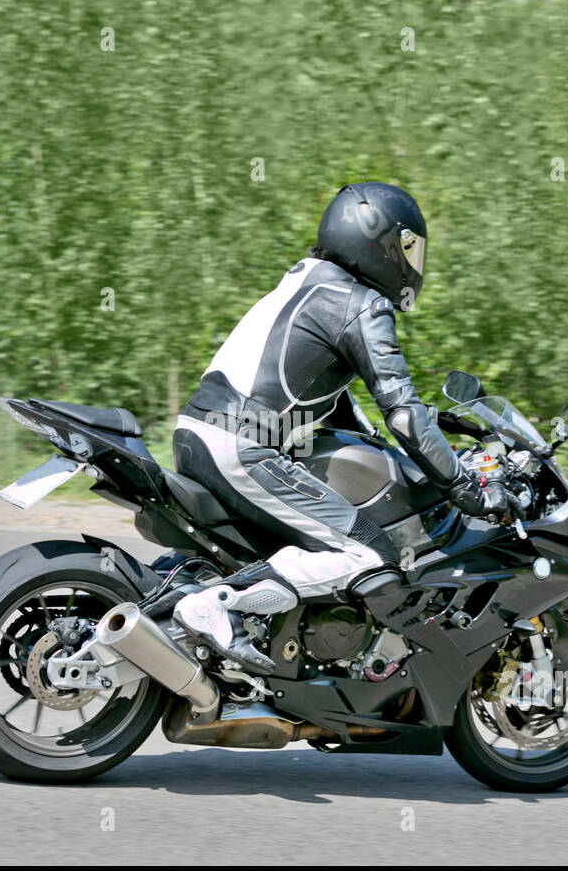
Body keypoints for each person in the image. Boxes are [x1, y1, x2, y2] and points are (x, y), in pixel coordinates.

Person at [169, 182, 510, 671]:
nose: (412, 262)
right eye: (407, 247)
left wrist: (401, 435)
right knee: (370, 555)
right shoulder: (361, 306)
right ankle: (217, 605)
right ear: (380, 245)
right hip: (241, 448)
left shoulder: (307, 282)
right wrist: (466, 487)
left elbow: (333, 399)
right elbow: (402, 413)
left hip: (197, 435)